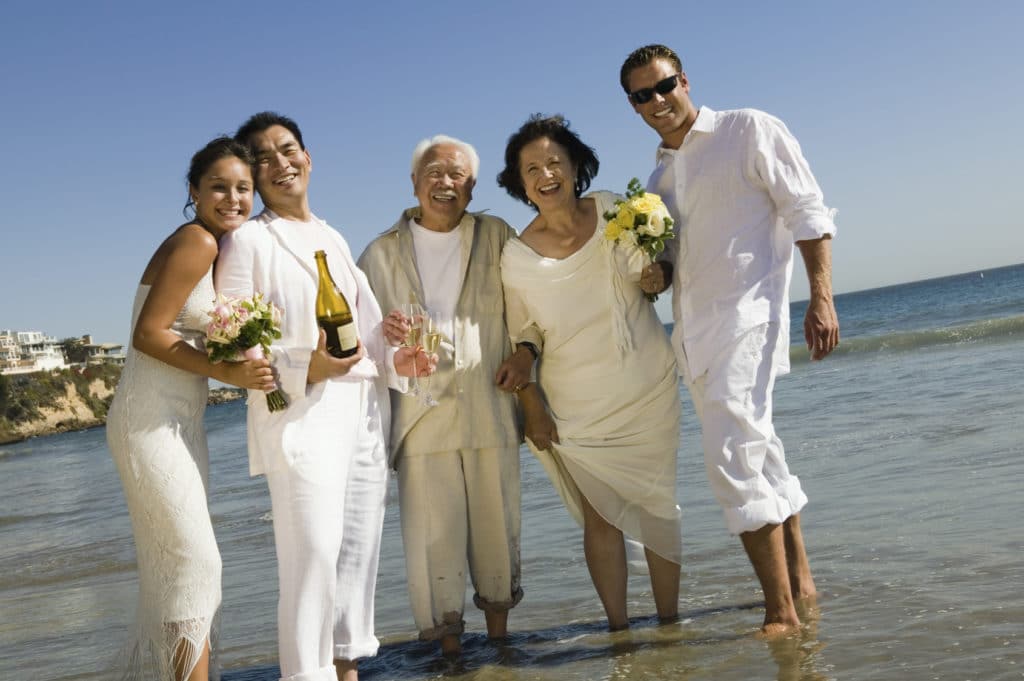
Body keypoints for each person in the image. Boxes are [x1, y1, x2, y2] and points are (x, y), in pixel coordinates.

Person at [620, 44, 840, 635]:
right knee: (759, 448)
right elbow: (668, 259)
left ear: (684, 80)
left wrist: (821, 296)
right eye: (642, 96)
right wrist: (654, 273)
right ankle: (803, 585)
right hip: (691, 335)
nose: (657, 101)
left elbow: (807, 209)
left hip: (750, 317)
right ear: (633, 107)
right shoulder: (657, 179)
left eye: (664, 86)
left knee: (731, 456)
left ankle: (781, 614)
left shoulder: (748, 129)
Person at [215, 112, 430, 681]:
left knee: (355, 556)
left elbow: (360, 339)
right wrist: (299, 364)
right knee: (311, 558)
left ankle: (346, 670)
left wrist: (395, 358)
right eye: (262, 157)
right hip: (301, 414)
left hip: (362, 413)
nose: (279, 163)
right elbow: (234, 338)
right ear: (254, 176)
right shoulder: (248, 241)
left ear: (308, 158)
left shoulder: (333, 235)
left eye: (288, 150)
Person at [497, 114, 683, 631]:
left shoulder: (609, 208)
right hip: (577, 402)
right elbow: (524, 334)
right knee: (600, 517)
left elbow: (644, 273)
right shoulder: (515, 256)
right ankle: (619, 633)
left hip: (646, 384)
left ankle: (670, 627)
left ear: (575, 165)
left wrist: (656, 275)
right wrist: (531, 404)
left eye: (555, 161)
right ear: (519, 181)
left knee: (657, 505)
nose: (545, 173)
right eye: (531, 167)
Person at [107, 137, 276, 681]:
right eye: (218, 187)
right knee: (196, 563)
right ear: (193, 191)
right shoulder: (197, 242)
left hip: (183, 424)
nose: (233, 198)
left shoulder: (216, 246)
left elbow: (191, 333)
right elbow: (147, 336)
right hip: (150, 424)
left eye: (243, 189)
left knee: (177, 567)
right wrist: (228, 373)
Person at [357, 135, 529, 656]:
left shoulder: (498, 235)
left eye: (457, 175)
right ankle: (449, 655)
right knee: (434, 541)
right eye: (433, 172)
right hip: (418, 416)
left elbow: (529, 303)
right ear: (414, 182)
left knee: (499, 531)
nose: (444, 182)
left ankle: (500, 650)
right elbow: (359, 344)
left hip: (489, 406)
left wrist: (526, 352)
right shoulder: (378, 252)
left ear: (472, 187)